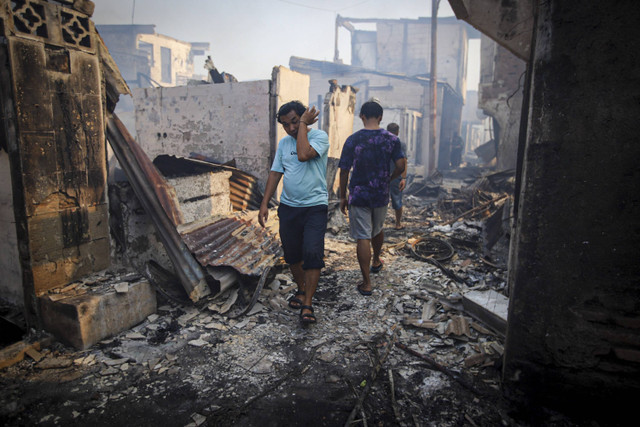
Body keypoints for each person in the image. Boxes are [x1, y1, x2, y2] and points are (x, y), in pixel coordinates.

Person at [258, 101, 329, 325]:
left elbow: (303, 154)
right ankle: (301, 288)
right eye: (286, 125)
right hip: (289, 207)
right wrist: (264, 203)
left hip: (315, 206)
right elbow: (275, 173)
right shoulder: (283, 143)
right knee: (293, 255)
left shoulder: (320, 137)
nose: (290, 128)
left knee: (312, 253)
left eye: (294, 122)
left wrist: (303, 128)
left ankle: (307, 303)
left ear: (304, 119)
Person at [338, 101, 405, 296]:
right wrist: (388, 179)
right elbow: (401, 165)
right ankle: (376, 260)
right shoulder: (392, 140)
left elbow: (343, 170)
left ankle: (366, 282)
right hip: (380, 194)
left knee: (363, 236)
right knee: (378, 228)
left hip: (359, 194)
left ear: (362, 116)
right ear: (381, 117)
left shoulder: (353, 139)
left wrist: (342, 196)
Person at [386, 123, 407, 230]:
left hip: (382, 176)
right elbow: (404, 161)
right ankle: (398, 224)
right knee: (397, 200)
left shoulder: (381, 143)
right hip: (396, 176)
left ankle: (378, 224)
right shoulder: (400, 144)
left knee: (381, 200)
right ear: (398, 132)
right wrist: (403, 177)